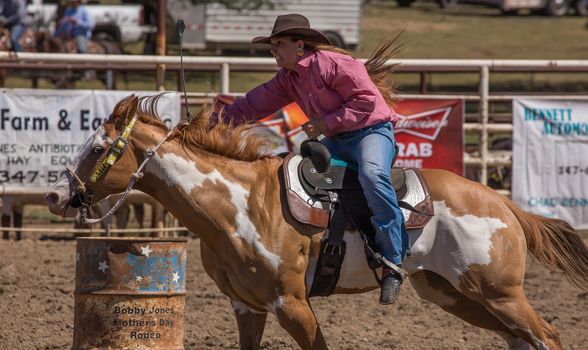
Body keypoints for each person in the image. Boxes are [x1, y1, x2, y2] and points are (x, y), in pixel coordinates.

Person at [212, 14, 409, 305]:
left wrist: (325, 123)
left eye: (279, 44)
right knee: (294, 171)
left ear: (300, 46)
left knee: (371, 175)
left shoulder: (333, 64)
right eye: (272, 46)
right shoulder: (288, 79)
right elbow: (254, 103)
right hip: (339, 140)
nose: (274, 50)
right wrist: (215, 122)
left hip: (371, 132)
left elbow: (366, 101)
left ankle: (392, 260)